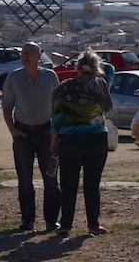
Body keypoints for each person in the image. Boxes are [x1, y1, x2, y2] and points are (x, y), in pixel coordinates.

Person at [51, 50, 114, 236]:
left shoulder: (66, 87)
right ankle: (93, 224)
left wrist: (54, 141)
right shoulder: (101, 84)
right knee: (92, 185)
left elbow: (57, 117)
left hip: (70, 140)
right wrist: (95, 68)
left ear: (76, 68)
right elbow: (110, 69)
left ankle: (65, 225)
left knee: (69, 184)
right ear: (96, 68)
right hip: (96, 140)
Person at [0, 42, 60, 232]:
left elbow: (58, 107)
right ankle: (27, 220)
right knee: (25, 179)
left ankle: (51, 220)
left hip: (46, 134)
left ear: (39, 55)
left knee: (50, 178)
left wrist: (55, 131)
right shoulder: (13, 78)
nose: (25, 56)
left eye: (30, 53)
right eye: (23, 53)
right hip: (23, 134)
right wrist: (13, 131)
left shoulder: (50, 77)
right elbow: (7, 107)